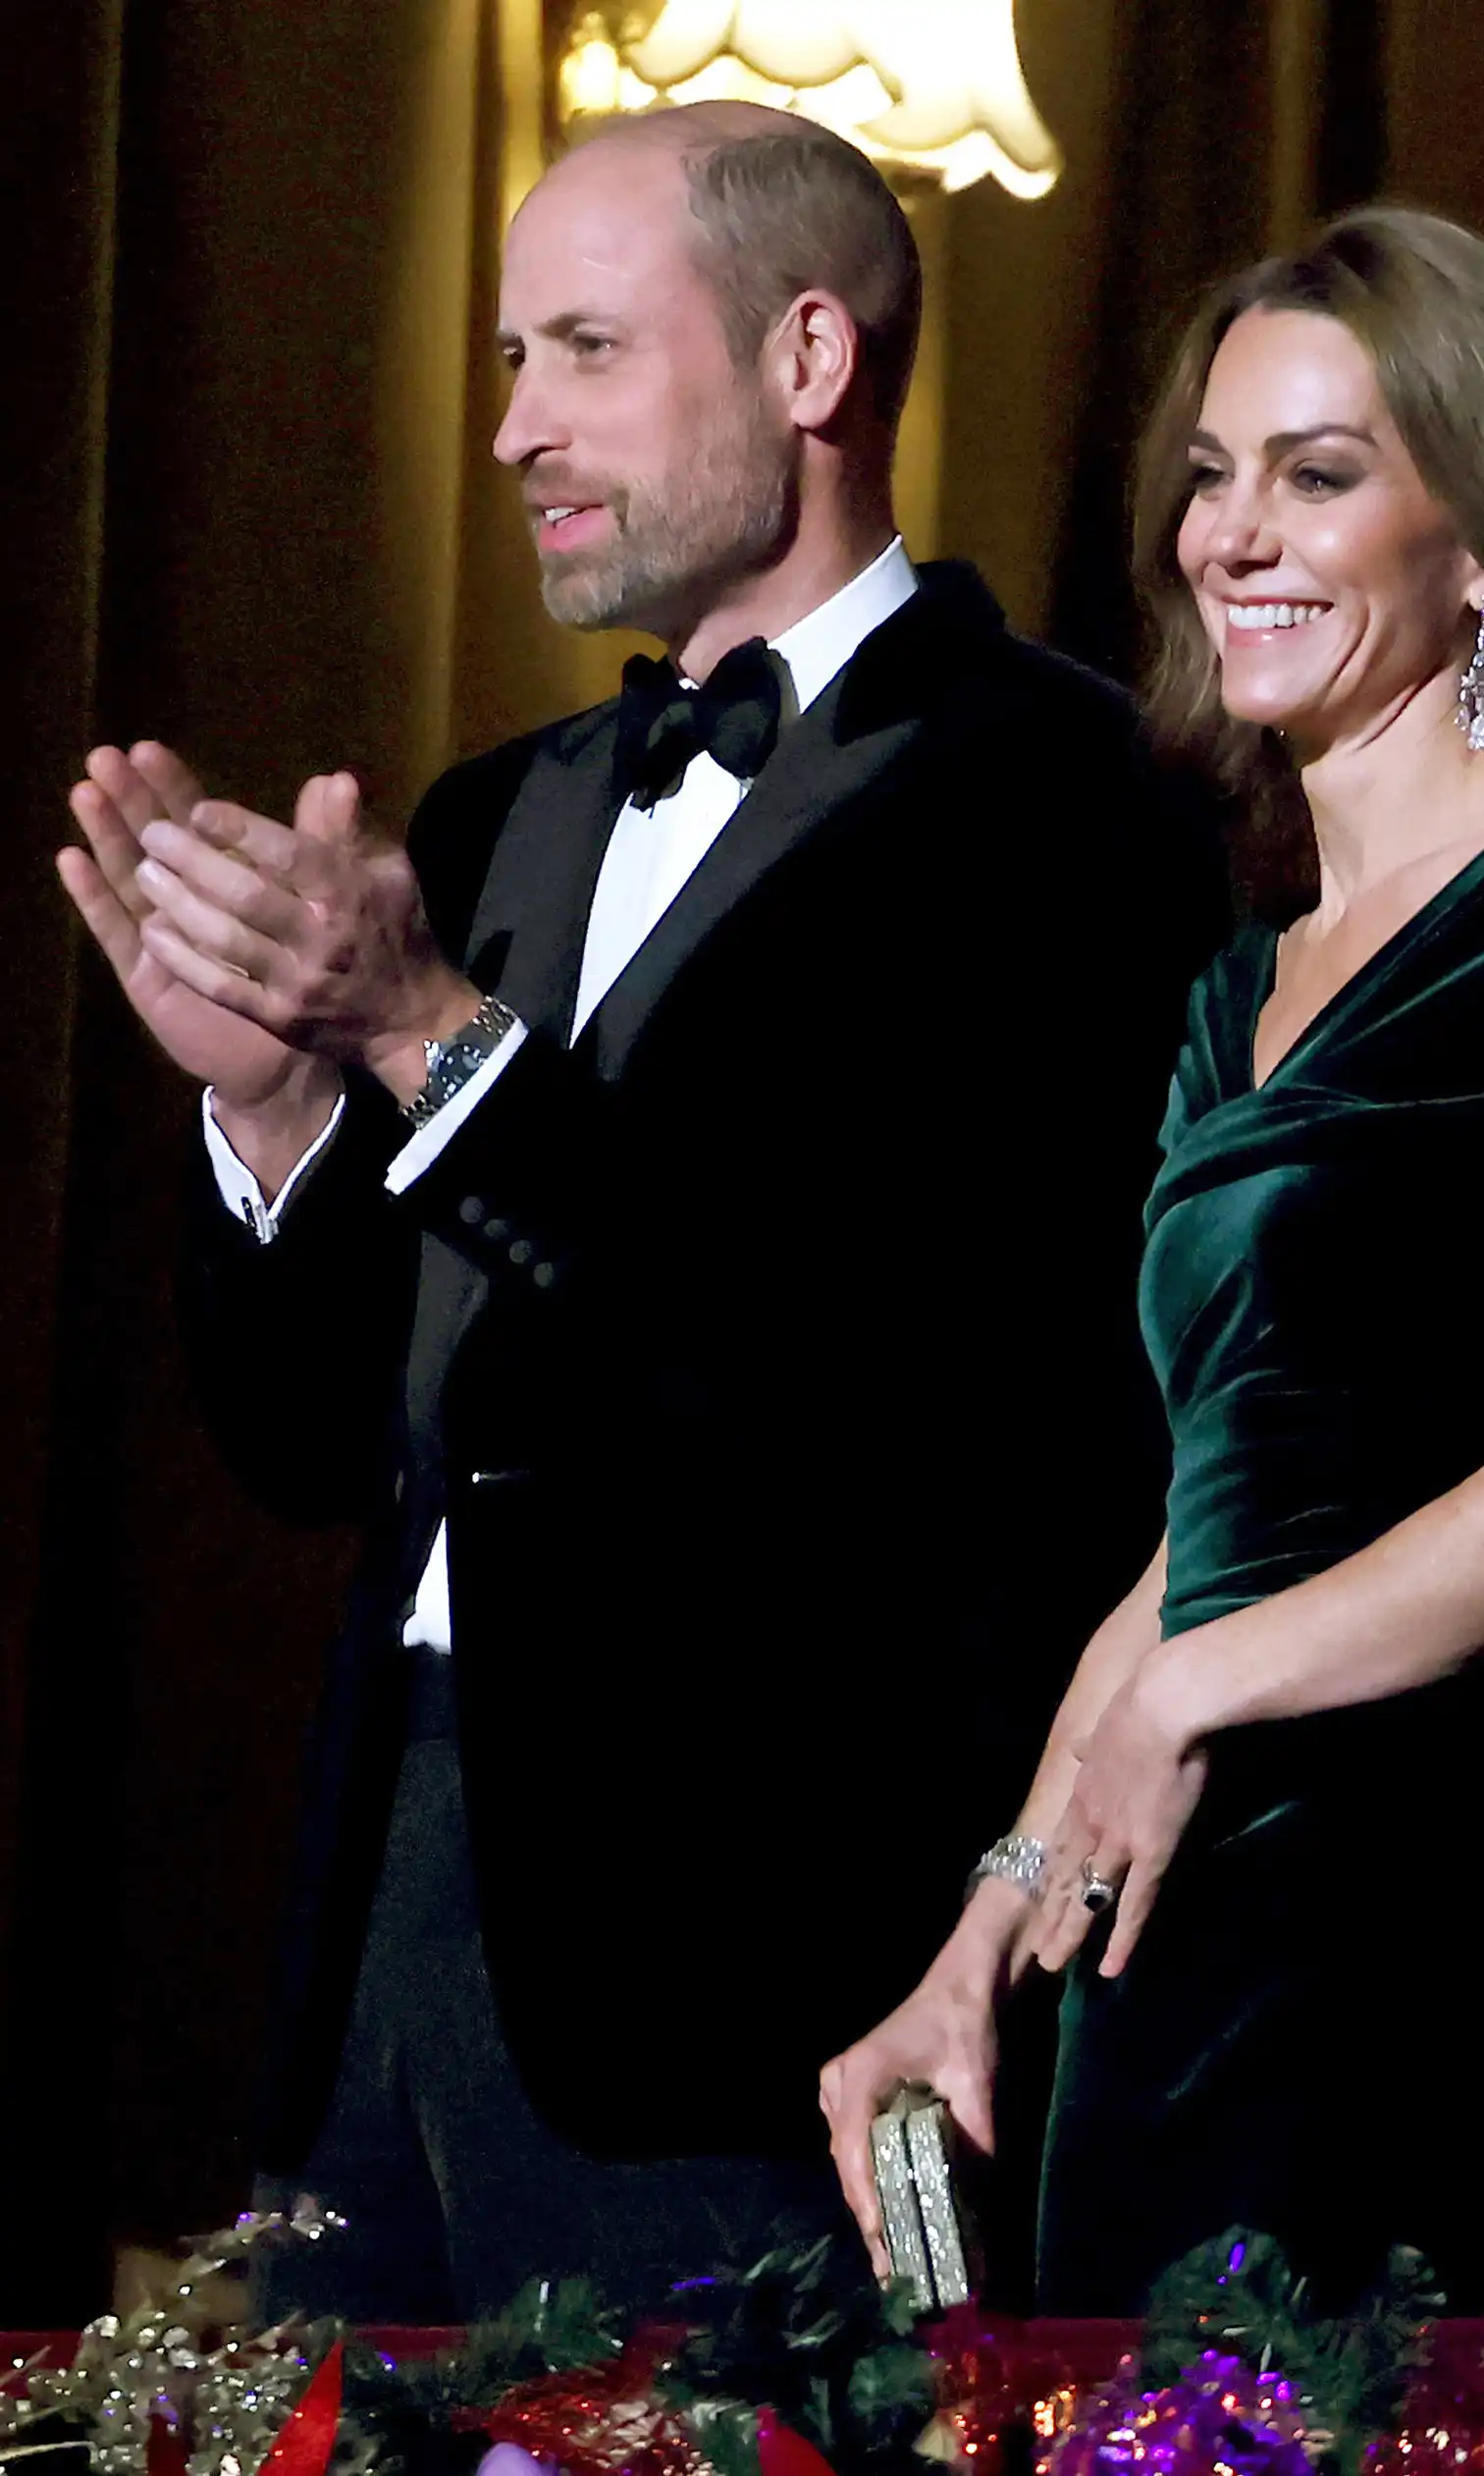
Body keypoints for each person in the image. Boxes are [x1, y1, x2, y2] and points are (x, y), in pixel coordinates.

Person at [56, 103, 1219, 2317]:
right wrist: (284, 1116)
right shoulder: (502, 809)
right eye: (508, 362)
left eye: (582, 350)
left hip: (746, 1950)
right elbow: (316, 1442)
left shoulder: (1058, 801)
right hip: (388, 1898)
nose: (511, 429)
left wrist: (432, 1049)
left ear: (807, 360)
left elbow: (864, 1389)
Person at [822, 207, 1484, 2315]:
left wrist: (1205, 1689)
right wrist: (973, 1951)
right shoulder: (1239, 984)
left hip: (1398, 1905)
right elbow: (1200, 1529)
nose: (1230, 531)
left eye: (1319, 473)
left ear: (1482, 542)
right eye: (1213, 472)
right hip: (1171, 1927)